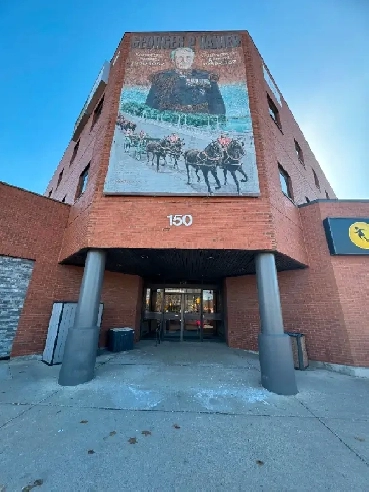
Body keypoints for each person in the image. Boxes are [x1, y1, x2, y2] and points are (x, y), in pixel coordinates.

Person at [145, 47, 226, 115]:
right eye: (180, 57)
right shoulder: (161, 78)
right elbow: (151, 103)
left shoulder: (207, 77)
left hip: (200, 117)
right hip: (171, 117)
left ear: (192, 60)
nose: (184, 61)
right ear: (173, 60)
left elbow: (217, 102)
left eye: (188, 57)